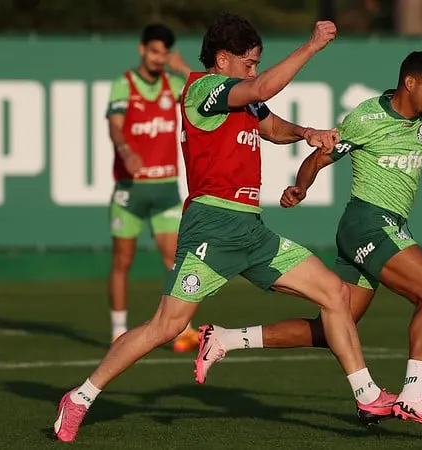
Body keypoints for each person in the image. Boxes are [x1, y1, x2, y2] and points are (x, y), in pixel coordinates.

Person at [53, 13, 395, 443]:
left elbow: (269, 124)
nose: (253, 69)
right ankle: (81, 397)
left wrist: (306, 132)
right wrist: (311, 47)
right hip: (211, 228)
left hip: (251, 229)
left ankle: (366, 395)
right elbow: (261, 88)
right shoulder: (204, 89)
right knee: (166, 326)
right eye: (248, 62)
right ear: (222, 59)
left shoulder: (241, 97)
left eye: (255, 63)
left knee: (335, 293)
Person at [193, 51, 422, 434]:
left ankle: (224, 338)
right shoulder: (367, 118)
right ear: (410, 83)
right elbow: (320, 158)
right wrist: (301, 187)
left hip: (386, 225)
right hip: (367, 223)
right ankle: (414, 394)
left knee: (335, 326)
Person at [105, 23, 199, 351]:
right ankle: (118, 330)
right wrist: (126, 150)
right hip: (130, 189)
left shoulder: (172, 84)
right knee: (123, 260)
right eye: (154, 51)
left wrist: (183, 67)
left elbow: (203, 93)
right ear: (142, 49)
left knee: (175, 259)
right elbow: (116, 128)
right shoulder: (125, 85)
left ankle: (183, 328)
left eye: (164, 53)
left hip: (164, 189)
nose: (159, 58)